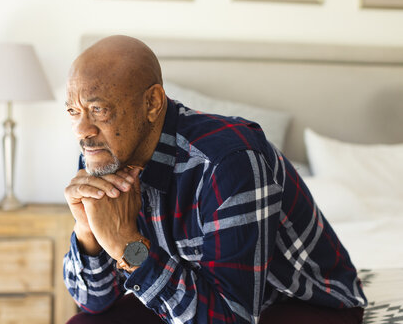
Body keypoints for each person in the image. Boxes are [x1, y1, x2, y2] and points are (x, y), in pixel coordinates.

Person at [62, 35, 366, 324]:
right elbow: (93, 303)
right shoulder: (103, 158)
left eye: (98, 110)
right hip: (201, 298)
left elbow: (231, 318)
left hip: (296, 303)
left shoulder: (230, 162)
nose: (81, 130)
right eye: (74, 111)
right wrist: (88, 230)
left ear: (152, 103)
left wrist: (126, 243)